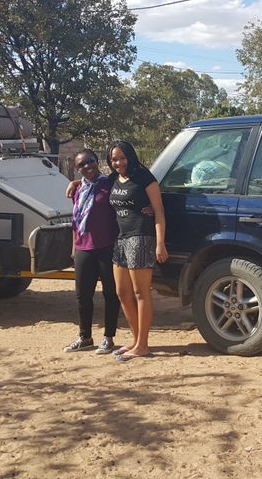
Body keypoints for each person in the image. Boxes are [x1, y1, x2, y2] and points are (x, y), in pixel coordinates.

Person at [107, 140, 168, 362]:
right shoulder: (115, 179)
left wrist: (160, 243)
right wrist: (75, 183)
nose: (118, 162)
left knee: (141, 293)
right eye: (114, 159)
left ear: (130, 157)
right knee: (122, 292)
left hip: (141, 237)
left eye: (122, 158)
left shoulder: (144, 178)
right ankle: (135, 339)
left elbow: (159, 212)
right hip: (121, 240)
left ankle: (143, 345)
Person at [64, 149, 121, 354]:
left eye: (90, 161)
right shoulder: (79, 190)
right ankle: (85, 337)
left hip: (106, 247)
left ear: (97, 161)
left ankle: (108, 337)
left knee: (110, 294)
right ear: (77, 169)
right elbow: (76, 220)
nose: (87, 166)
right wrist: (74, 249)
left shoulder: (109, 185)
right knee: (82, 295)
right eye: (81, 165)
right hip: (83, 248)